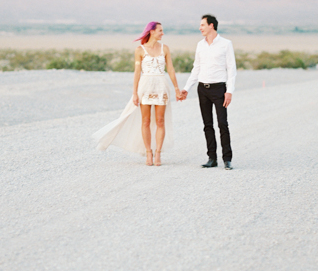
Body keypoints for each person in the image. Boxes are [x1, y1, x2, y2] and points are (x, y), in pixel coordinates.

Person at [92, 22, 182, 166]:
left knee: (160, 121)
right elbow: (137, 72)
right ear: (151, 31)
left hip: (161, 86)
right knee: (145, 121)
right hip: (145, 86)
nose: (162, 33)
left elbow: (170, 69)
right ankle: (148, 153)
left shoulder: (165, 48)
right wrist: (134, 93)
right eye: (160, 30)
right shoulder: (139, 50)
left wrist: (177, 89)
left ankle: (157, 153)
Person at [180, 14, 237, 170]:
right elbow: (196, 68)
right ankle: (212, 158)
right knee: (207, 125)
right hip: (202, 88)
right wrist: (186, 88)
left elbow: (231, 69)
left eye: (202, 25)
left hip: (219, 89)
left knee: (222, 124)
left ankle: (227, 159)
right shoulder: (200, 45)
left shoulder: (226, 44)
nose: (200, 28)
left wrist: (229, 91)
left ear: (211, 25)